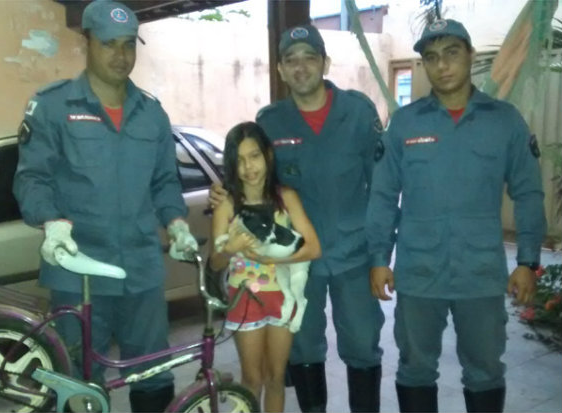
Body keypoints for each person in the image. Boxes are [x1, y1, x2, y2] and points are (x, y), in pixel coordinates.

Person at [12, 1, 198, 411]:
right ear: (87, 42)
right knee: (78, 381)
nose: (120, 55)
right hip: (78, 270)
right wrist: (51, 222)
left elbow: (166, 183)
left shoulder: (151, 114)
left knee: (152, 374)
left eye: (129, 45)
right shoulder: (54, 107)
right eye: (109, 44)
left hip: (141, 273)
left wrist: (178, 223)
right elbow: (32, 178)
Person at [366, 18, 547, 413]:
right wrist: (379, 258)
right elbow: (382, 196)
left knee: (484, 370)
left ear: (469, 56)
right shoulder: (406, 124)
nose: (442, 65)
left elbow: (529, 193)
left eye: (451, 53)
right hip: (418, 272)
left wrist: (528, 260)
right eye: (431, 57)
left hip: (480, 273)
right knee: (415, 368)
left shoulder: (504, 121)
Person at [210, 25, 385, 412]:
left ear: (325, 62)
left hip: (353, 254)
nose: (301, 67)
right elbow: (256, 179)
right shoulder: (271, 121)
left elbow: (383, 189)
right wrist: (226, 194)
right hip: (293, 259)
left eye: (310, 57)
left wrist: (380, 258)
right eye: (292, 60)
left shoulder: (358, 112)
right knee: (302, 344)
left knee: (362, 343)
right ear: (280, 69)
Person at [210, 121, 321, 412]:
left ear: (269, 156)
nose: (249, 167)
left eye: (255, 156)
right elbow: (215, 261)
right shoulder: (227, 203)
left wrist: (272, 260)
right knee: (251, 379)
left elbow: (314, 247)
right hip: (244, 299)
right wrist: (229, 249)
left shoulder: (287, 198)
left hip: (281, 298)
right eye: (240, 160)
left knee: (275, 379)